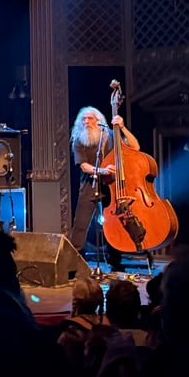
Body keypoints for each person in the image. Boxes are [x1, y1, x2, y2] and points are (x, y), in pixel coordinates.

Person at [70, 106, 140, 271]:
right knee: (81, 223)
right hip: (90, 185)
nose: (86, 122)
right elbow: (83, 166)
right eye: (84, 119)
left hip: (112, 186)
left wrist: (122, 127)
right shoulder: (79, 139)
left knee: (115, 222)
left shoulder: (110, 135)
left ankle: (115, 260)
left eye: (90, 118)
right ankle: (74, 263)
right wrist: (100, 170)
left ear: (99, 121)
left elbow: (135, 147)